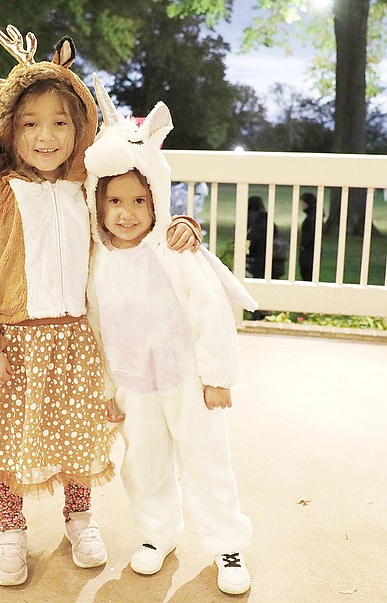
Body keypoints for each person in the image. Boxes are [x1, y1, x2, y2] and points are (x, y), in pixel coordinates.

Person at [0, 26, 202, 588]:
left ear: (81, 127)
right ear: (8, 129)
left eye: (61, 122)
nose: (46, 136)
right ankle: (9, 530)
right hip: (11, 343)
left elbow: (138, 217)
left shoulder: (89, 186)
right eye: (31, 123)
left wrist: (181, 223)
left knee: (75, 435)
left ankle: (79, 517)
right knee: (7, 437)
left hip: (74, 340)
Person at [84, 76, 255, 596]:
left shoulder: (173, 252)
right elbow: (97, 331)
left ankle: (227, 543)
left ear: (156, 199)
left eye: (139, 200)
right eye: (115, 201)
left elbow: (210, 315)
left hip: (187, 379)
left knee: (206, 459)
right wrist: (109, 392)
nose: (127, 212)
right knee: (145, 463)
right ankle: (158, 535)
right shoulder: (97, 262)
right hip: (135, 384)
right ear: (99, 204)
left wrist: (218, 378)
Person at [246, 195, 286, 279]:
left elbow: (252, 239)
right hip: (272, 260)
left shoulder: (253, 219)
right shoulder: (268, 219)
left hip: (257, 260)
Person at [299, 192, 318, 281]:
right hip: (310, 251)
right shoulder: (314, 216)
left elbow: (309, 235)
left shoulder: (311, 218)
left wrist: (304, 244)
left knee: (307, 275)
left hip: (308, 252)